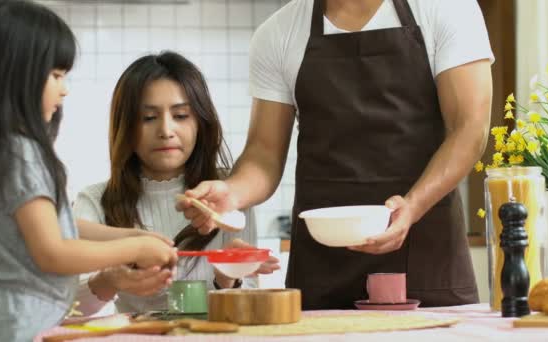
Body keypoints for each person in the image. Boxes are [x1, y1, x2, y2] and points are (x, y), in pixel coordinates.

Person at [177, 0, 494, 309]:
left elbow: (469, 130)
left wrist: (412, 207)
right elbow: (263, 154)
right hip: (323, 265)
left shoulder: (448, 8)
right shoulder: (278, 32)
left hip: (425, 251)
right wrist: (232, 193)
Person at [0, 1, 177, 340]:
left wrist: (133, 235)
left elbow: (62, 226)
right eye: (55, 76)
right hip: (11, 326)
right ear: (12, 76)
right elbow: (53, 251)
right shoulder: (19, 155)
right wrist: (134, 250)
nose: (64, 89)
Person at [73, 52, 280, 315]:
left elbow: (248, 307)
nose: (166, 130)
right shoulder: (95, 200)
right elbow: (71, 310)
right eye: (148, 118)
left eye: (181, 115)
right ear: (125, 126)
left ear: (200, 123)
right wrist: (110, 279)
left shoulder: (228, 192)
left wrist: (229, 277)